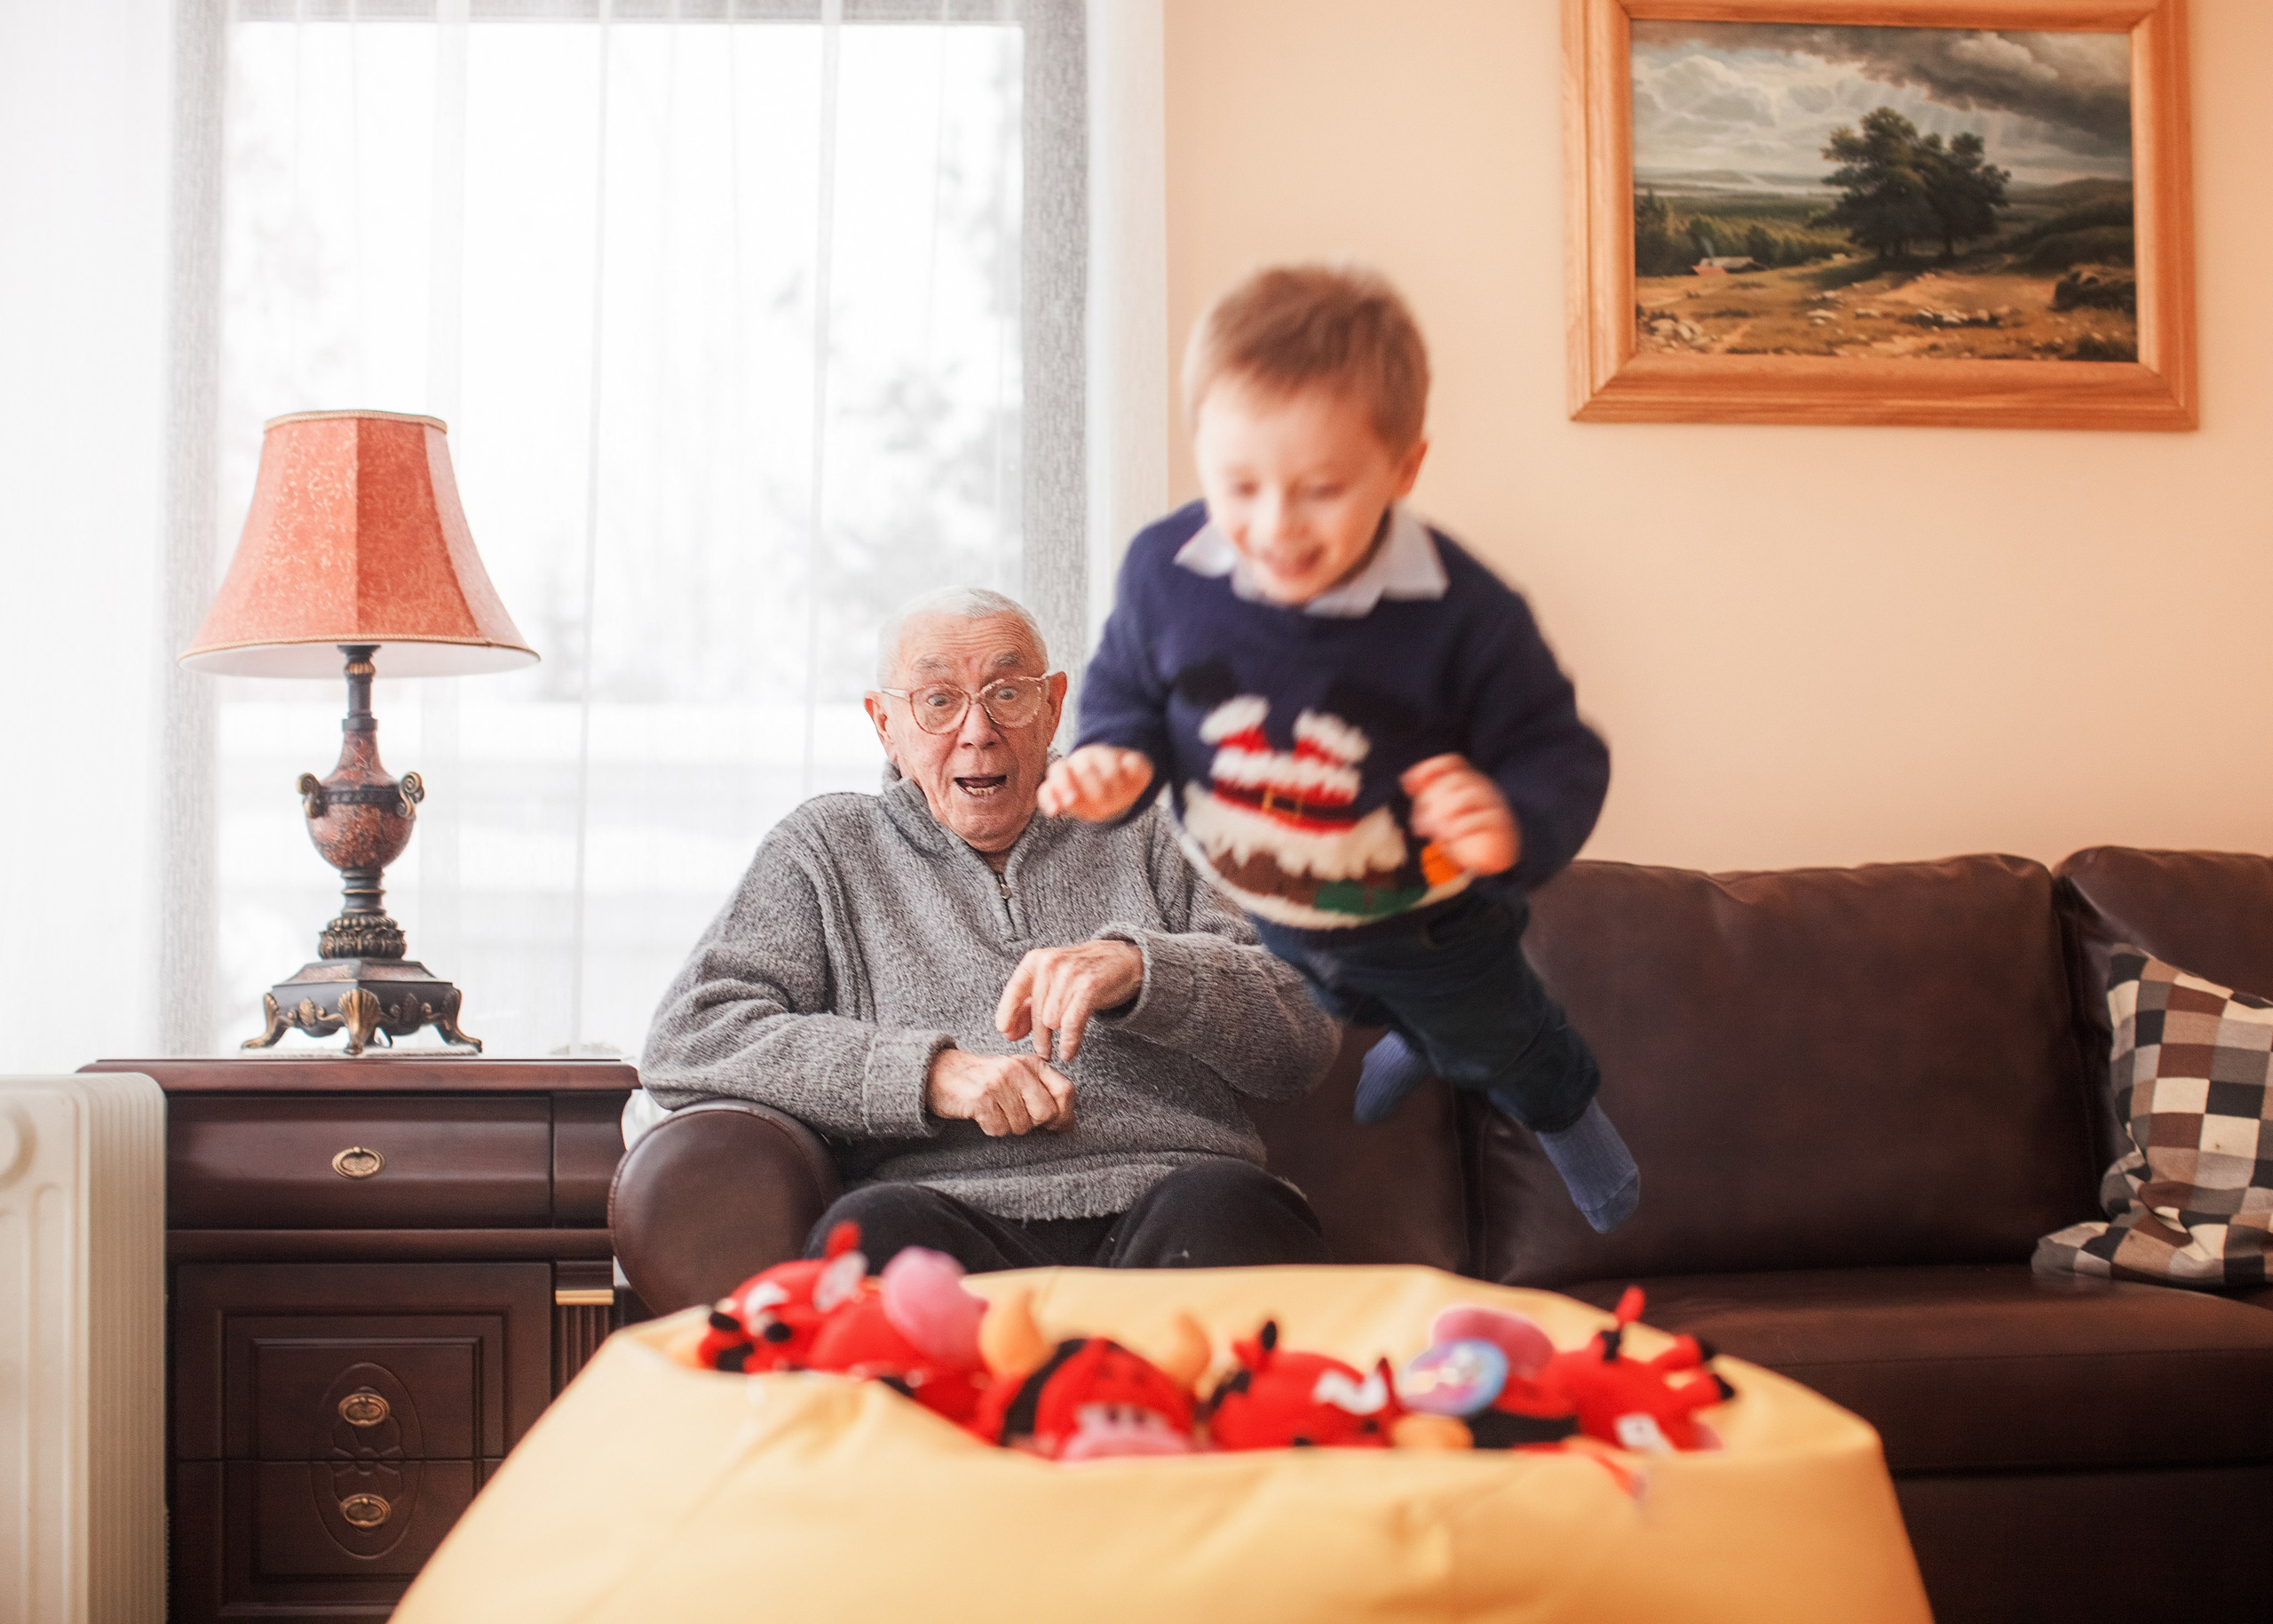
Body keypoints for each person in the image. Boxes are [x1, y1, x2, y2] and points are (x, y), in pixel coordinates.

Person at [1039, 263, 1638, 1233]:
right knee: (1337, 993)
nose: (1275, 526)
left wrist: (1508, 820)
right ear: (1200, 450)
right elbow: (1126, 686)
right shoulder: (1164, 572)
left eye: (1320, 490)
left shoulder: (1459, 612)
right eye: (1239, 485)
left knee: (1492, 1033)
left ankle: (1558, 1103)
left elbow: (1560, 751)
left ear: (1403, 469)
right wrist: (1115, 753)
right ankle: (1419, 1029)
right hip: (1267, 898)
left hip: (1418, 908)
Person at [638, 587, 1341, 1274]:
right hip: (941, 1214)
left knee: (1234, 1212)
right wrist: (932, 1073)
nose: (978, 730)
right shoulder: (824, 849)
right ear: (885, 725)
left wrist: (1141, 968)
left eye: (1008, 692)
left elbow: (1305, 1034)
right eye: (938, 701)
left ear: (1053, 705)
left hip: (1174, 1196)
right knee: (871, 1237)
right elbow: (692, 1034)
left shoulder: (1154, 822)